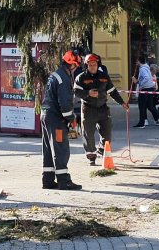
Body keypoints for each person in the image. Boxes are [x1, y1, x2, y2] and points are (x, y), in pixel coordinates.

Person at [40, 50, 82, 191]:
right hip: (56, 119)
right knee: (61, 149)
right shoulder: (63, 78)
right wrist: (72, 119)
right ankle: (64, 181)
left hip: (46, 115)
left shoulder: (56, 75)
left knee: (48, 148)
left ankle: (48, 180)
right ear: (72, 65)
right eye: (76, 66)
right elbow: (64, 104)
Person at [74, 51, 124, 165]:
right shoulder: (81, 78)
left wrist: (122, 103)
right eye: (90, 65)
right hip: (88, 109)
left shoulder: (104, 77)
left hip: (103, 108)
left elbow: (112, 91)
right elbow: (76, 92)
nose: (92, 67)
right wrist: (87, 93)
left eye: (94, 64)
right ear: (86, 65)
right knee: (88, 134)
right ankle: (91, 156)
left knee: (107, 133)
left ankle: (102, 151)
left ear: (98, 65)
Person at [134, 57, 158, 127]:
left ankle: (142, 123)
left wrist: (141, 85)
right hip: (150, 88)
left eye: (137, 61)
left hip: (145, 89)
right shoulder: (147, 67)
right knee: (150, 106)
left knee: (142, 106)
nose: (136, 63)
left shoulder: (142, 69)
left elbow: (146, 77)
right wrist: (138, 81)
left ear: (139, 61)